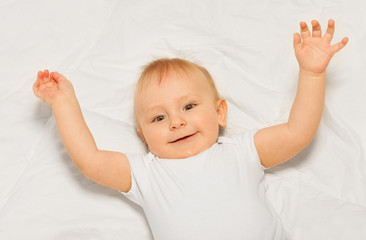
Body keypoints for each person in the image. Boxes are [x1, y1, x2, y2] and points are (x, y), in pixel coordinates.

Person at [33, 20, 348, 240]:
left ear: (220, 112)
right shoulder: (146, 174)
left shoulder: (242, 151)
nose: (176, 122)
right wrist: (63, 102)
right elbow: (89, 160)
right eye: (158, 118)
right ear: (142, 136)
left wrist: (311, 74)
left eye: (188, 107)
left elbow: (297, 132)